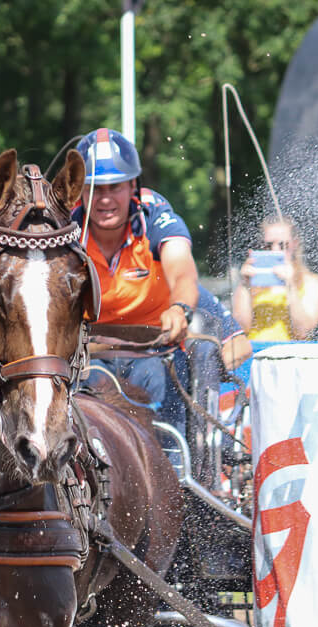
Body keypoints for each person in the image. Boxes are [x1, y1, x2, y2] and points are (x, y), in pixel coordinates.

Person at [72, 128, 200, 438]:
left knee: (158, 380)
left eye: (114, 187)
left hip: (153, 350)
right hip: (89, 353)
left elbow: (182, 270)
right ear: (80, 191)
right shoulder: (66, 229)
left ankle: (174, 468)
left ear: (133, 185)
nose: (104, 199)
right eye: (94, 188)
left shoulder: (155, 216)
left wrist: (180, 308)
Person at [230, 214, 318, 341]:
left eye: (283, 245)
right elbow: (240, 329)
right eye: (268, 245)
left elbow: (303, 330)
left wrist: (290, 286)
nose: (275, 250)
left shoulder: (311, 282)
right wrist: (244, 285)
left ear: (295, 244)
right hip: (256, 354)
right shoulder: (252, 281)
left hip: (292, 356)